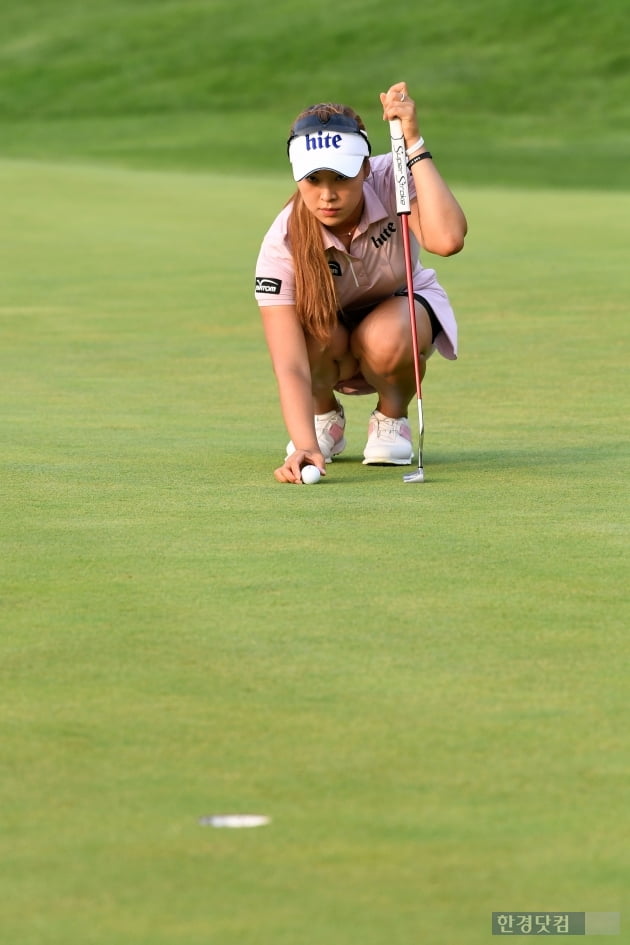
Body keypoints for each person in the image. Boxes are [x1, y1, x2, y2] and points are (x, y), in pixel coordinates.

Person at [255, 81, 467, 484]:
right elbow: (290, 364)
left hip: (398, 315)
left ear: (366, 167)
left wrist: (414, 143)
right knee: (309, 328)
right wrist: (302, 444)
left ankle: (391, 417)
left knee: (391, 330)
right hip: (329, 339)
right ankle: (323, 420)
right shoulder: (282, 242)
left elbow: (447, 240)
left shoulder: (393, 178)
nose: (327, 195)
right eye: (313, 180)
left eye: (342, 177)